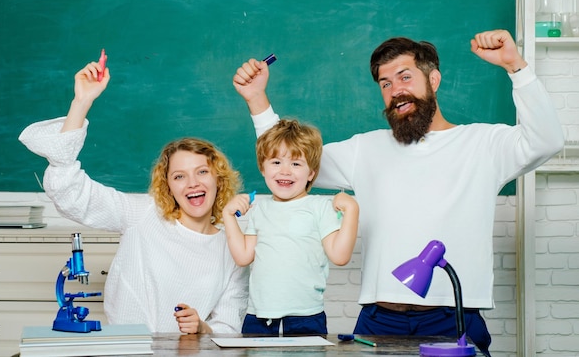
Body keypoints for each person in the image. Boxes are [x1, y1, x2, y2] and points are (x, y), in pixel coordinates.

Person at [231, 30, 564, 355]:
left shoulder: (482, 144)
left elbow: (547, 141)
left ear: (433, 80)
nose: (395, 91)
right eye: (385, 83)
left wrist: (516, 67)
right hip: (379, 318)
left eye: (405, 77)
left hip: (452, 315)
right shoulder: (366, 148)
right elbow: (291, 160)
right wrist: (257, 99)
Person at [19, 58, 248, 334]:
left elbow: (228, 326)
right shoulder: (143, 214)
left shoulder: (233, 246)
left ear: (218, 179)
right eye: (179, 176)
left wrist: (201, 327)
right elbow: (69, 191)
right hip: (126, 349)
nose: (192, 183)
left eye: (202, 172)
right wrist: (81, 102)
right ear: (168, 186)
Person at [222, 118, 359, 335]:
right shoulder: (260, 209)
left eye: (296, 164)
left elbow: (340, 256)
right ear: (262, 168)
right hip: (258, 317)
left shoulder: (319, 207)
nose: (285, 171)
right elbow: (243, 257)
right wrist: (228, 216)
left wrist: (352, 210)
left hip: (306, 317)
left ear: (311, 173)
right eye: (276, 162)